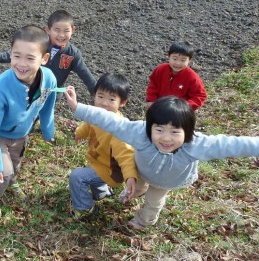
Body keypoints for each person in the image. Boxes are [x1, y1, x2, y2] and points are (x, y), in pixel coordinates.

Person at [64, 87, 259, 230]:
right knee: (137, 186)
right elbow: (111, 121)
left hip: (167, 180)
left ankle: (143, 221)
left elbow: (231, 144)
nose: (166, 138)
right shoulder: (140, 132)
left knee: (154, 202)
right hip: (142, 169)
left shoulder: (196, 144)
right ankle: (132, 193)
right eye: (159, 130)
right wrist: (78, 107)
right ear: (149, 127)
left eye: (175, 132)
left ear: (188, 132)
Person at [0, 25, 57, 218]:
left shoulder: (49, 79)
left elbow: (47, 107)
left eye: (30, 58)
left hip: (21, 132)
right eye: (16, 56)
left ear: (44, 59)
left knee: (15, 163)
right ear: (10, 54)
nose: (21, 63)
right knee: (2, 171)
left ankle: (10, 180)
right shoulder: (0, 88)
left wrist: (48, 131)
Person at [68, 73, 139, 219]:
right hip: (99, 163)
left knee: (78, 176)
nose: (104, 103)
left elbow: (126, 154)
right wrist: (79, 134)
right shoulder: (95, 115)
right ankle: (102, 193)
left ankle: (84, 209)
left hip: (110, 171)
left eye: (111, 99)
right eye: (100, 96)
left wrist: (130, 176)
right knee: (93, 172)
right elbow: (87, 126)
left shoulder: (119, 127)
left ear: (122, 102)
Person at [0, 10, 96, 97]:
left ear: (73, 30)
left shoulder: (73, 54)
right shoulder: (39, 45)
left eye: (66, 31)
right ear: (48, 30)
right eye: (57, 30)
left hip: (52, 93)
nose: (61, 35)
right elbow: (20, 54)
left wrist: (97, 92)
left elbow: (85, 74)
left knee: (45, 115)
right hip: (29, 87)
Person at [146, 41, 207, 110]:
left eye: (183, 60)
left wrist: (186, 106)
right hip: (160, 106)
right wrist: (151, 100)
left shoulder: (192, 77)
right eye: (174, 59)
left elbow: (200, 95)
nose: (178, 63)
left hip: (180, 111)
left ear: (189, 60)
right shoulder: (161, 69)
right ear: (169, 56)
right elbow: (153, 84)